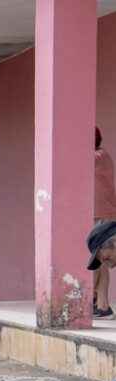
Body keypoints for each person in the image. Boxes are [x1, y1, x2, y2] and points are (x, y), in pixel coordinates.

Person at [93, 127, 116, 319]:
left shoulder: (99, 156)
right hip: (103, 214)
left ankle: (92, 302)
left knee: (97, 261)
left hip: (100, 215)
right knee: (101, 262)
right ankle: (102, 306)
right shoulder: (102, 156)